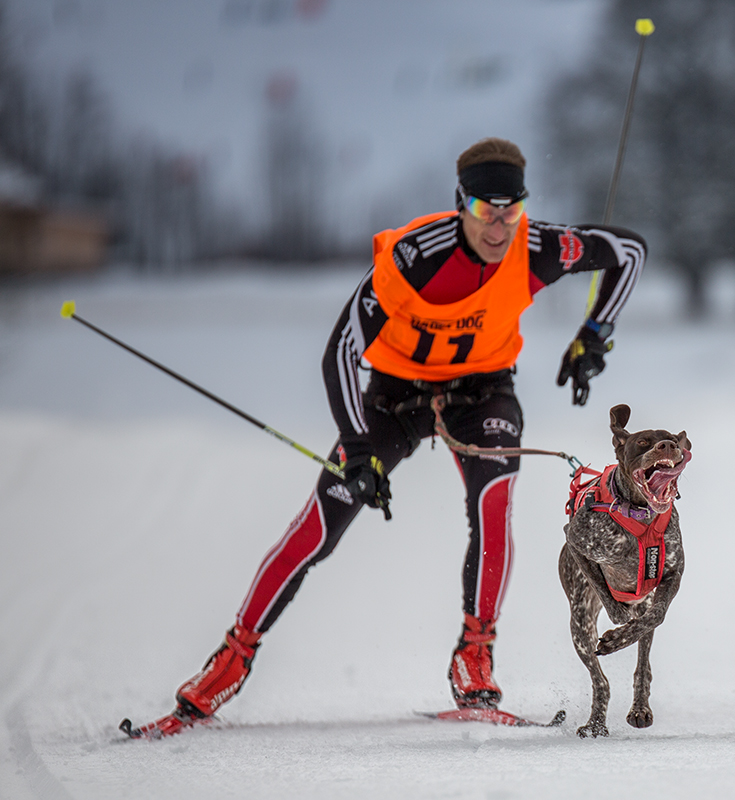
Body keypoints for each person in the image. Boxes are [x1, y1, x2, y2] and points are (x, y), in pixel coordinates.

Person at [168, 138, 645, 724]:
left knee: (494, 506)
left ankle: (476, 655)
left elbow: (628, 249)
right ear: (460, 203)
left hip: (482, 393)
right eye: (484, 209)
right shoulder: (416, 256)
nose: (498, 226)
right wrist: (360, 448)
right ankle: (233, 657)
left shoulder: (537, 246)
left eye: (511, 208)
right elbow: (341, 350)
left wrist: (594, 335)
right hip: (396, 397)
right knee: (322, 524)